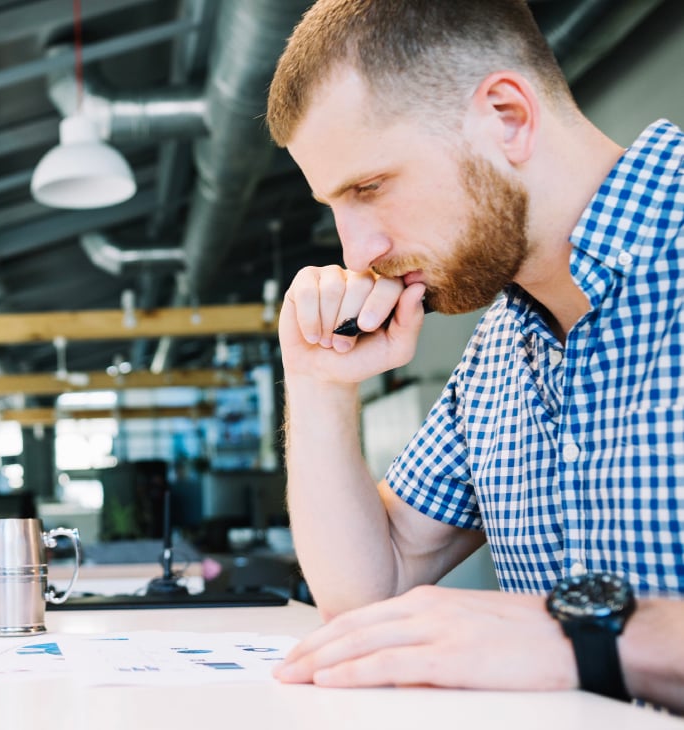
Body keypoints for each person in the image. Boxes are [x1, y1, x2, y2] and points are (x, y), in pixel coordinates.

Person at [264, 0, 684, 712]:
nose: (355, 252)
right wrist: (316, 381)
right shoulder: (501, 346)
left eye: (369, 187)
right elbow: (371, 588)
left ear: (507, 116)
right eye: (335, 205)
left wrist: (580, 637)